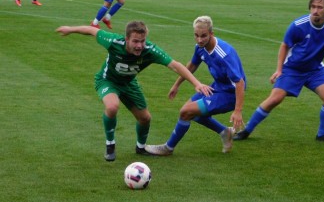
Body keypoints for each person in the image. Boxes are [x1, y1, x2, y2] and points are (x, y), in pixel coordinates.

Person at [56, 21, 213, 162]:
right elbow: (92, 30)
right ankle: (110, 144)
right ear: (127, 39)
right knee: (112, 106)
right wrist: (70, 29)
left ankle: (140, 147)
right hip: (107, 81)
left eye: (142, 41)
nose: (139, 45)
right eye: (135, 41)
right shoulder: (113, 41)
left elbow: (175, 65)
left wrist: (196, 83)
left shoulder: (150, 50)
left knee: (145, 118)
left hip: (129, 84)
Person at [233, 0, 324, 144]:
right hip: (292, 68)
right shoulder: (298, 25)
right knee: (275, 99)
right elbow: (285, 45)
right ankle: (246, 131)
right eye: (312, 7)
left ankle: (322, 135)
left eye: (319, 7)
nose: (315, 11)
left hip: (315, 69)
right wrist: (279, 70)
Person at [145, 16, 246, 156]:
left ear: (212, 33)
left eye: (203, 36)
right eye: (196, 35)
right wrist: (176, 85)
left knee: (186, 111)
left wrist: (238, 110)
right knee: (191, 112)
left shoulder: (224, 54)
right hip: (218, 87)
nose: (199, 40)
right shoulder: (200, 48)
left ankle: (168, 148)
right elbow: (192, 65)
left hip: (230, 94)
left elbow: (240, 82)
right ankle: (225, 132)